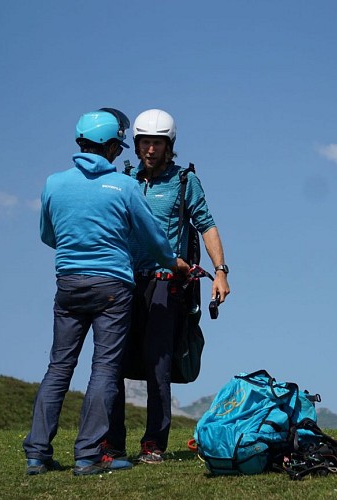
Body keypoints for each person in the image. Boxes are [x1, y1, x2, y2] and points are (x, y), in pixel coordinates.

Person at [22, 108, 189, 476]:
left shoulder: (54, 183)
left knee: (58, 366)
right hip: (113, 287)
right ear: (113, 146)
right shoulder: (125, 187)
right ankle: (88, 455)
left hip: (67, 284)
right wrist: (175, 263)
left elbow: (48, 236)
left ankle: (37, 452)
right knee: (104, 368)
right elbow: (155, 240)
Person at [105, 108, 230, 464]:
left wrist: (220, 271)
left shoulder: (186, 181)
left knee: (158, 364)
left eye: (157, 143)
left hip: (165, 284)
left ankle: (153, 445)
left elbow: (207, 225)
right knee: (112, 363)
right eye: (144, 142)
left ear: (168, 145)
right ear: (136, 144)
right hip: (125, 282)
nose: (149, 149)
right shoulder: (125, 179)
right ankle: (112, 444)